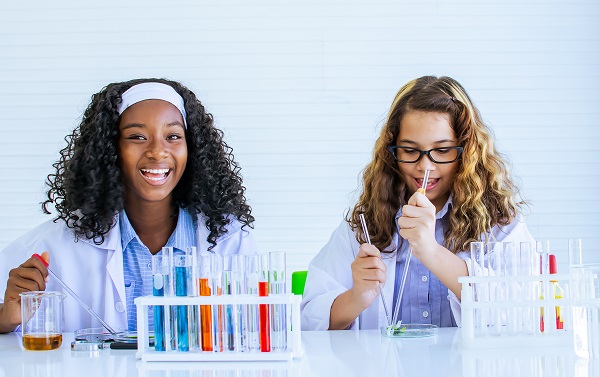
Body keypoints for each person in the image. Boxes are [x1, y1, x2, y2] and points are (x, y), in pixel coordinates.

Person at [0, 78, 257, 333]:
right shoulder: (52, 246)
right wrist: (7, 317)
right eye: (137, 136)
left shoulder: (229, 240)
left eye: (173, 136)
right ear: (110, 149)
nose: (158, 151)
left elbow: (255, 334)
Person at [301, 76, 534, 331]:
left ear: (466, 151)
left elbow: (524, 311)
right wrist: (357, 297)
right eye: (410, 150)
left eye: (442, 150)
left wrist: (431, 252)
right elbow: (307, 320)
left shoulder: (500, 225)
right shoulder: (365, 226)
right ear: (393, 151)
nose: (425, 166)